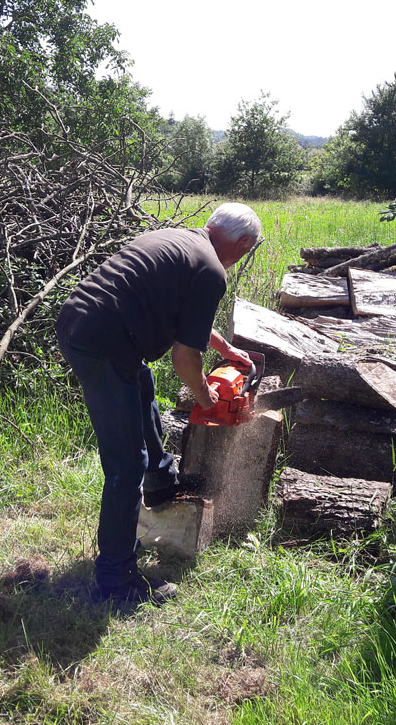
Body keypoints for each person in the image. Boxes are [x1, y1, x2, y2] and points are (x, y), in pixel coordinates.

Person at [56, 203, 262, 604]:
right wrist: (208, 399)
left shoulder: (180, 239)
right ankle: (116, 580)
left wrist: (226, 348)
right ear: (240, 243)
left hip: (86, 323)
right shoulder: (211, 270)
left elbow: (186, 320)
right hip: (103, 343)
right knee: (125, 463)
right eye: (248, 249)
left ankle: (162, 484)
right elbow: (185, 359)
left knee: (144, 386)